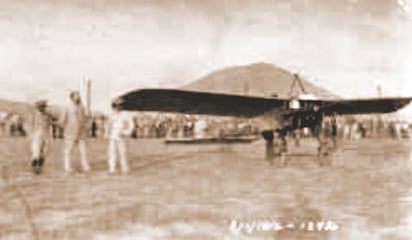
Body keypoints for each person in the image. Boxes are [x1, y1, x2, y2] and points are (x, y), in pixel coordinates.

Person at [59, 91, 91, 173]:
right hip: (70, 132)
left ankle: (86, 166)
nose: (78, 97)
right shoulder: (67, 107)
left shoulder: (82, 107)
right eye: (76, 96)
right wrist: (64, 130)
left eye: (79, 96)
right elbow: (62, 120)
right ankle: (67, 167)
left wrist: (87, 119)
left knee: (83, 151)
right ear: (72, 97)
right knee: (68, 151)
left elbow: (85, 118)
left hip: (81, 133)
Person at [106, 101, 134, 174]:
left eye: (118, 106)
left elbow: (131, 125)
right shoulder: (111, 114)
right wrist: (107, 133)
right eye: (115, 106)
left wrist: (126, 132)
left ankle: (124, 169)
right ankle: (112, 169)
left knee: (122, 153)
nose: (116, 108)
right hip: (112, 136)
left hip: (121, 136)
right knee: (112, 153)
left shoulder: (125, 114)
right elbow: (108, 124)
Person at [30, 100, 55, 174]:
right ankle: (35, 167)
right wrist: (32, 134)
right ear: (37, 107)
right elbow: (31, 125)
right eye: (41, 107)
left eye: (43, 106)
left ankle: (40, 167)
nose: (42, 108)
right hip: (38, 134)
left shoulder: (48, 115)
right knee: (36, 152)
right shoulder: (34, 115)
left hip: (46, 133)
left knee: (45, 152)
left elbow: (51, 124)